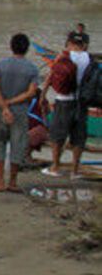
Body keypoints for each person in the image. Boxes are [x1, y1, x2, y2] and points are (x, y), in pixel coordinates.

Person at [0, 33, 40, 193]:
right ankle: (13, 182)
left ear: (11, 46)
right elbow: (31, 93)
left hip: (0, 110)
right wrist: (12, 103)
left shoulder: (1, 65)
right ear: (27, 49)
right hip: (20, 112)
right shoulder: (32, 69)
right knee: (18, 146)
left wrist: (4, 106)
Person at [46, 30, 92, 177]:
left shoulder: (64, 56)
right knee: (78, 137)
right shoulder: (89, 58)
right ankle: (75, 170)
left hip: (64, 99)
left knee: (57, 135)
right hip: (82, 101)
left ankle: (55, 167)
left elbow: (51, 76)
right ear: (84, 45)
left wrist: (43, 94)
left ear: (70, 43)